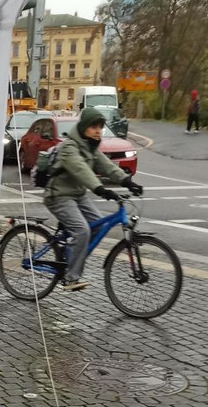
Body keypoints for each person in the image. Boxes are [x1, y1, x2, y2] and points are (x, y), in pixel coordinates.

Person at [43, 107, 144, 291]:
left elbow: (107, 166)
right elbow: (81, 170)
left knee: (98, 226)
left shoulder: (90, 147)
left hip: (77, 196)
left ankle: (71, 252)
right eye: (93, 127)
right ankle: (70, 278)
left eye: (100, 127)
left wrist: (127, 181)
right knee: (82, 231)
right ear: (83, 128)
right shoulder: (69, 147)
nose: (98, 131)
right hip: (58, 196)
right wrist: (100, 189)